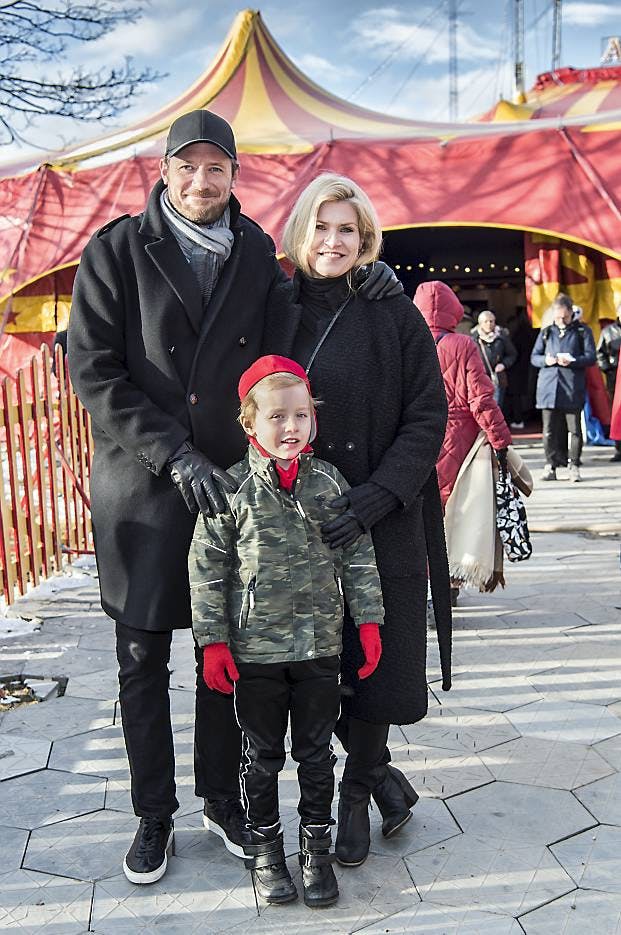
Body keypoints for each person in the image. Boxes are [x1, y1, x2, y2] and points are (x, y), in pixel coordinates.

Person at [67, 110, 400, 884]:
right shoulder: (117, 249)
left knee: (230, 655)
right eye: (189, 165)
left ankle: (221, 798)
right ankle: (154, 812)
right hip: (145, 484)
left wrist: (367, 279)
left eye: (216, 167)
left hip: (232, 487)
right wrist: (171, 452)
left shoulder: (255, 251)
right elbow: (92, 369)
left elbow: (300, 321)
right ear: (165, 170)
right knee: (143, 655)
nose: (202, 179)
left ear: (234, 175)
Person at [269, 173, 452, 869]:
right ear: (299, 233)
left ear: (365, 236)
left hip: (379, 519)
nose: (332, 241)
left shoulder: (393, 311)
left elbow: (426, 416)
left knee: (373, 659)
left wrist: (379, 496)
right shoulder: (275, 306)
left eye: (346, 228)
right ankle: (383, 778)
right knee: (315, 664)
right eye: (320, 226)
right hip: (299, 526)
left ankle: (354, 793)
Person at [189, 355, 385, 907]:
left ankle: (315, 850)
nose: (291, 427)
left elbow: (358, 556)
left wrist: (368, 621)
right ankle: (268, 851)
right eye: (277, 417)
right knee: (263, 755)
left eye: (301, 415)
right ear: (249, 423)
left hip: (319, 647)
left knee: (317, 753)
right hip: (256, 653)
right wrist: (215, 642)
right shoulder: (230, 490)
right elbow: (207, 568)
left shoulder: (328, 483)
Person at [415, 281, 512, 599]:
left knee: (421, 514)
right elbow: (481, 399)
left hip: (415, 436)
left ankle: (426, 587)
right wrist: (500, 440)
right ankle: (447, 584)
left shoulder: (406, 341)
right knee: (454, 513)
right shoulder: (463, 344)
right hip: (459, 439)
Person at [531, 292, 596, 483]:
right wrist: (547, 360)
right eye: (557, 316)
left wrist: (573, 360)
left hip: (571, 386)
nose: (561, 320)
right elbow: (534, 357)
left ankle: (574, 465)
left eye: (564, 316)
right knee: (548, 430)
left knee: (574, 430)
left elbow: (591, 357)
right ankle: (550, 465)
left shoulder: (582, 331)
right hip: (549, 387)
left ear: (571, 312)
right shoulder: (546, 332)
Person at [471, 310, 517, 408]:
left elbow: (512, 354)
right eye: (486, 321)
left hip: (497, 377)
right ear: (480, 323)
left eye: (491, 321)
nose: (489, 324)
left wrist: (504, 364)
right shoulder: (473, 339)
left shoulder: (501, 336)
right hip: (479, 378)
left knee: (496, 406)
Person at [596, 301, 621, 461]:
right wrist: (608, 368)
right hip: (615, 379)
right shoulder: (608, 331)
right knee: (617, 413)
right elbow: (600, 354)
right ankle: (619, 449)